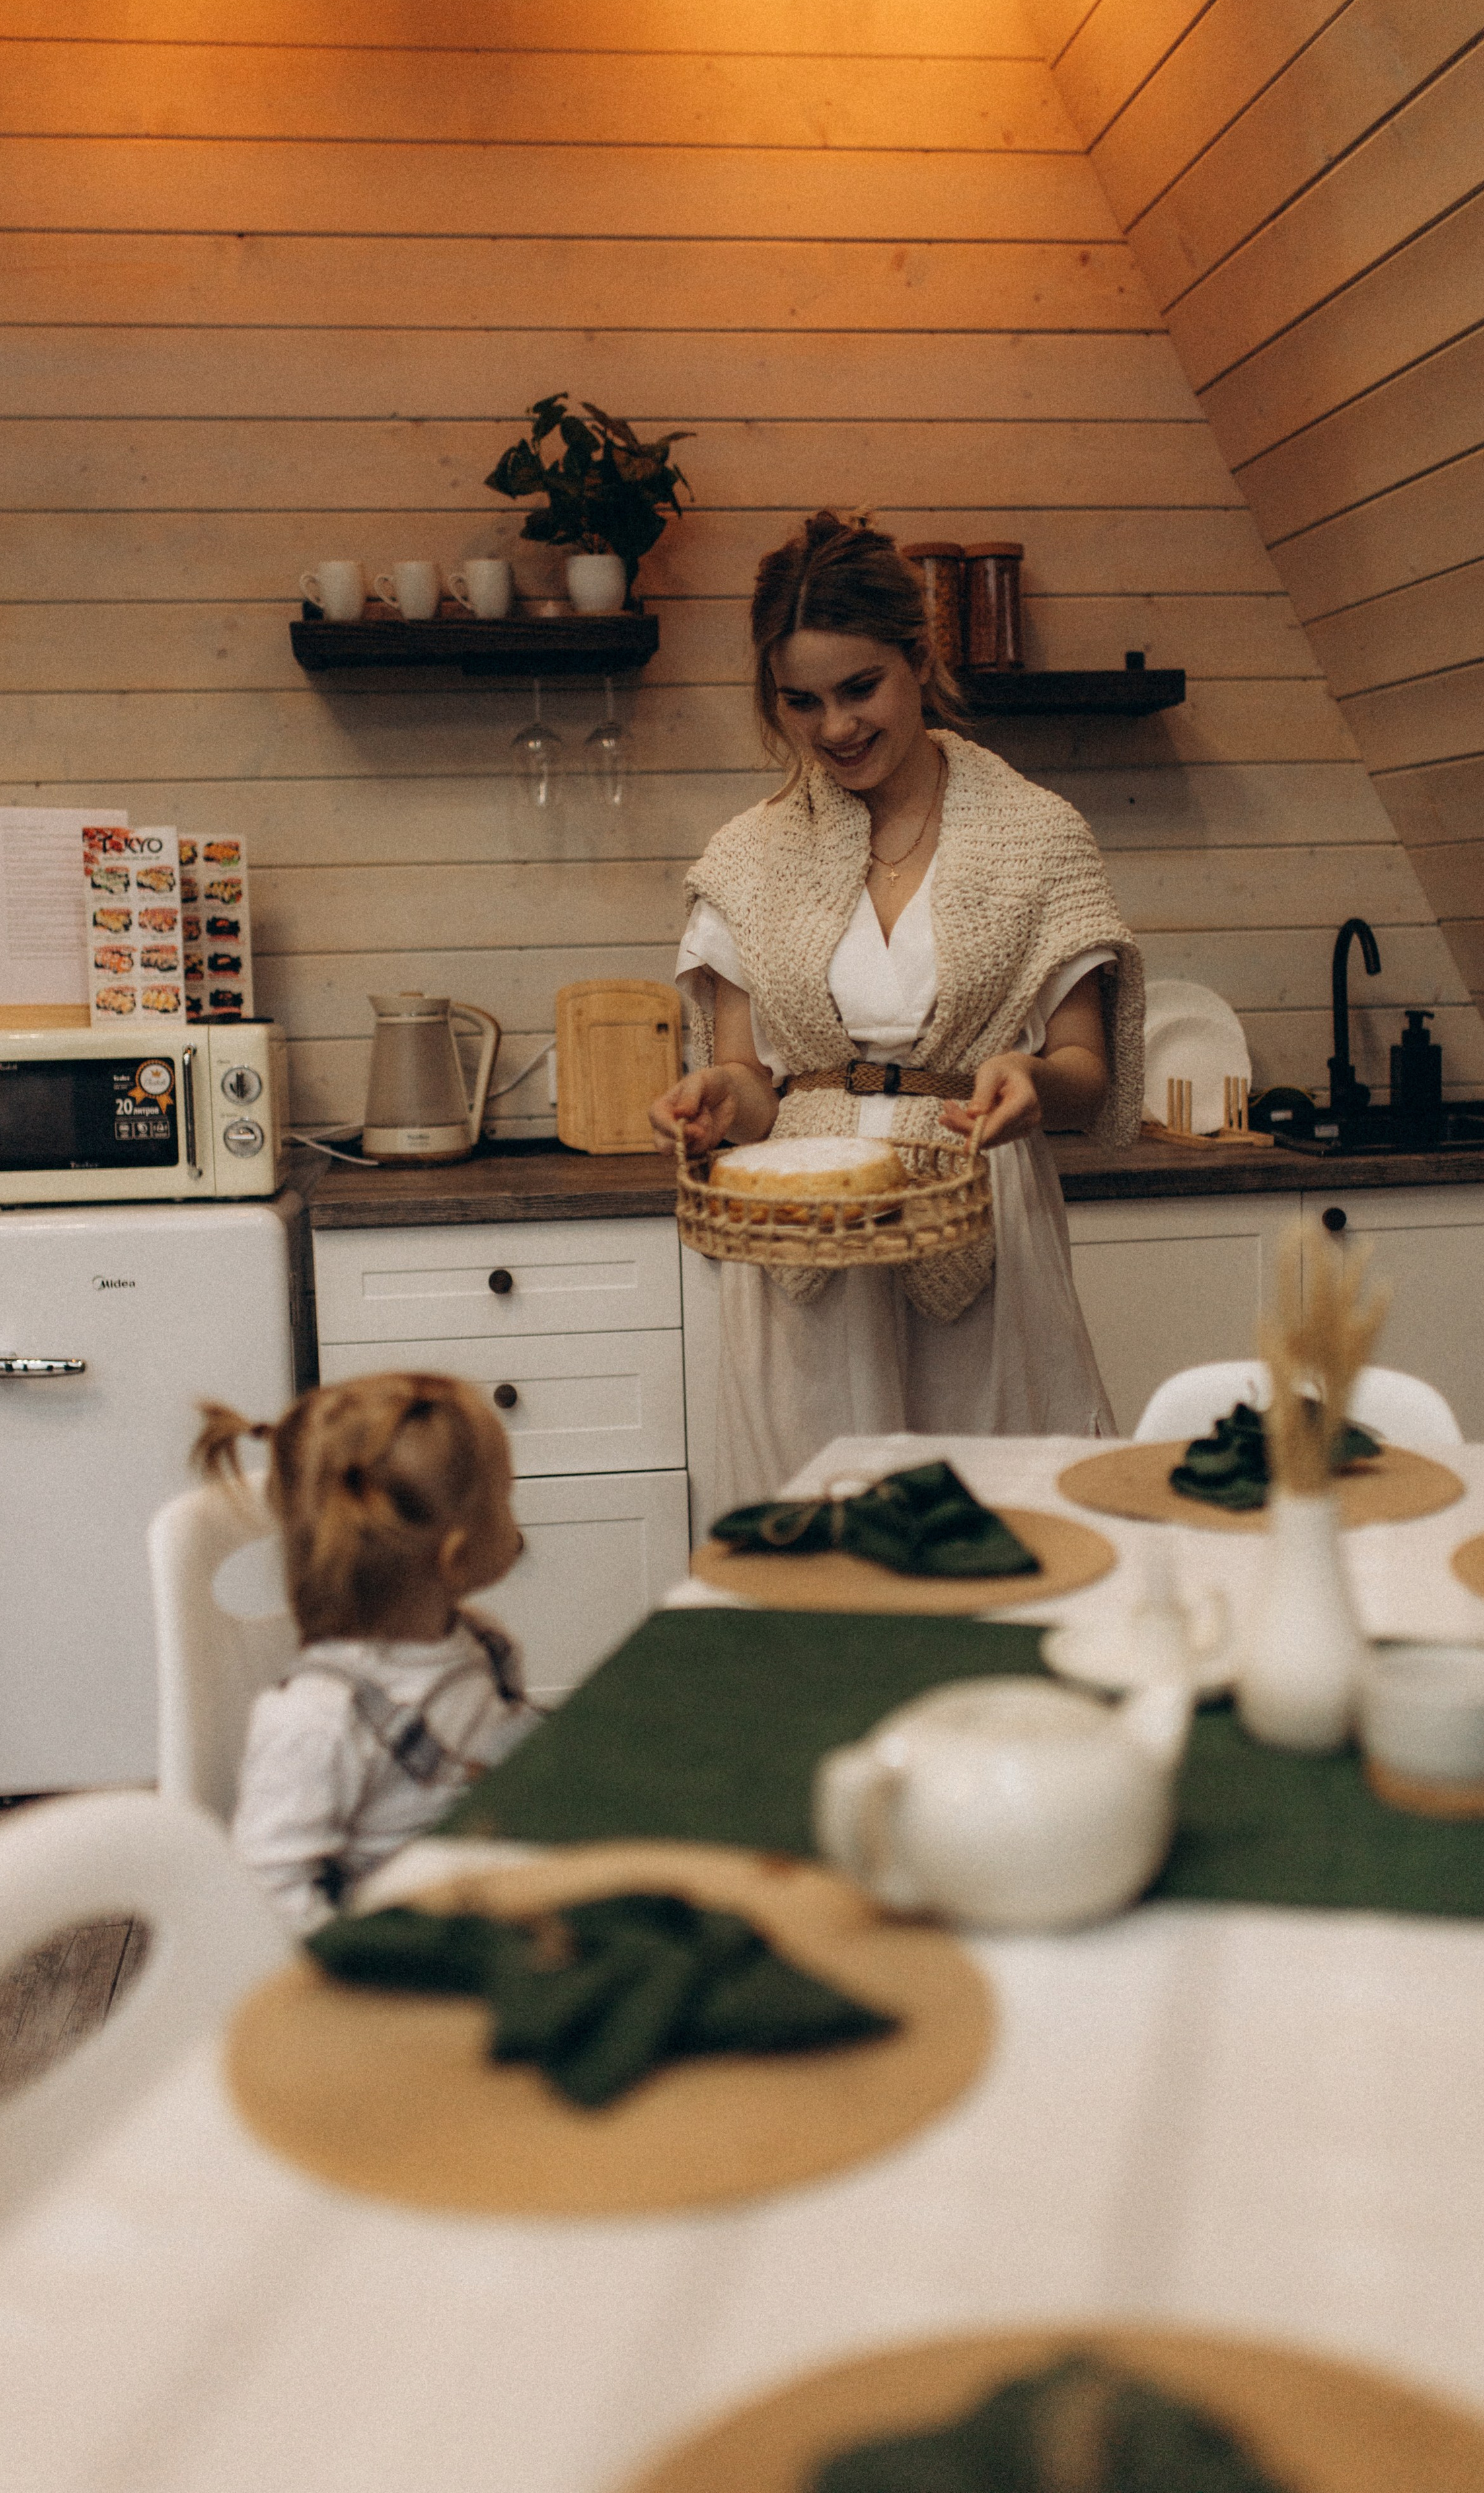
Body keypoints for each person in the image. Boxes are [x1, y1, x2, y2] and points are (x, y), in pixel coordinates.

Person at [651, 510, 1144, 1512]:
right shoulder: (748, 857)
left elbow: (1087, 1076)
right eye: (801, 701)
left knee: (1008, 1523)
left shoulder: (1038, 836)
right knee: (818, 1533)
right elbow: (756, 1085)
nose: (835, 728)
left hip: (980, 1215)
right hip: (803, 1241)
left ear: (921, 660)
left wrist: (1032, 1081)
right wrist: (716, 1095)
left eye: (860, 688)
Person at [197, 1372, 536, 1933]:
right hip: (398, 1967)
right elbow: (268, 1895)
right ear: (454, 1557)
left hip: (489, 1906)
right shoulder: (319, 1722)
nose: (514, 1513)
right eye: (504, 1498)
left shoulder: (481, 1646)